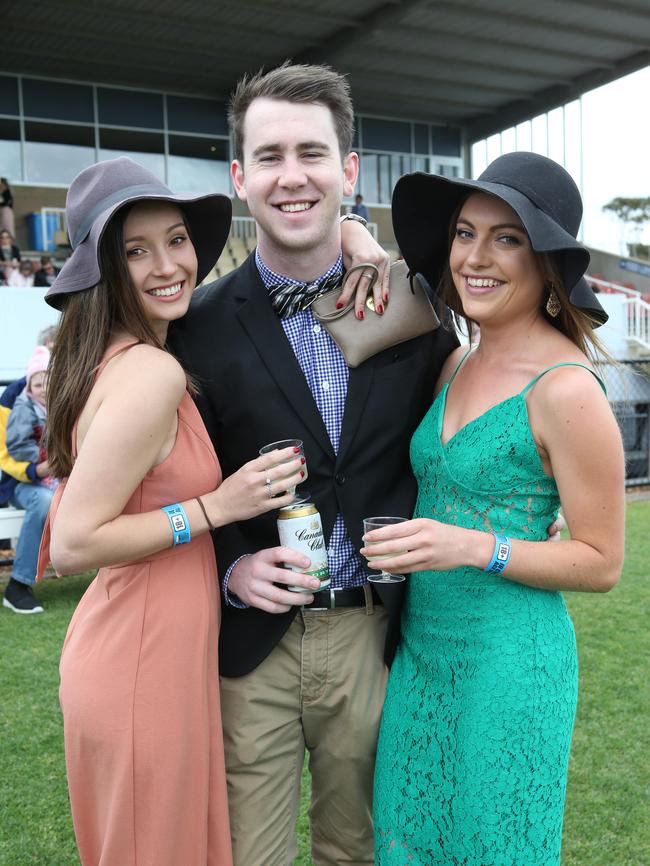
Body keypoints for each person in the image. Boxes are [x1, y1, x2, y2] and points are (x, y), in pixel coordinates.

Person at [169, 61, 459, 866]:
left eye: (311, 153)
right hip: (249, 643)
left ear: (349, 170)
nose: (291, 177)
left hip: (376, 633)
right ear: (239, 177)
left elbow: (459, 427)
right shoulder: (192, 327)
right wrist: (231, 566)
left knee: (357, 851)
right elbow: (178, 477)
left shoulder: (415, 305)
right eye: (269, 157)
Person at [39, 156, 310, 866]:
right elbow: (70, 543)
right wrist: (215, 507)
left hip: (155, 653)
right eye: (136, 250)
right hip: (141, 664)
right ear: (104, 270)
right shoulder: (149, 372)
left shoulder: (117, 357)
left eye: (177, 239)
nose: (167, 265)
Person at [365, 152, 625, 865]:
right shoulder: (455, 361)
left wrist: (476, 547)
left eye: (507, 238)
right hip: (420, 658)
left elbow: (603, 563)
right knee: (407, 843)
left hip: (510, 666)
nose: (476, 257)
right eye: (465, 233)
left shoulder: (568, 389)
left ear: (547, 263)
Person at [2, 346, 54, 613]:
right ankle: (18, 586)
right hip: (20, 482)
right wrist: (37, 469)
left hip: (56, 474)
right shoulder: (13, 402)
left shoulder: (60, 396)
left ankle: (112, 569)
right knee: (44, 499)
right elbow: (6, 452)